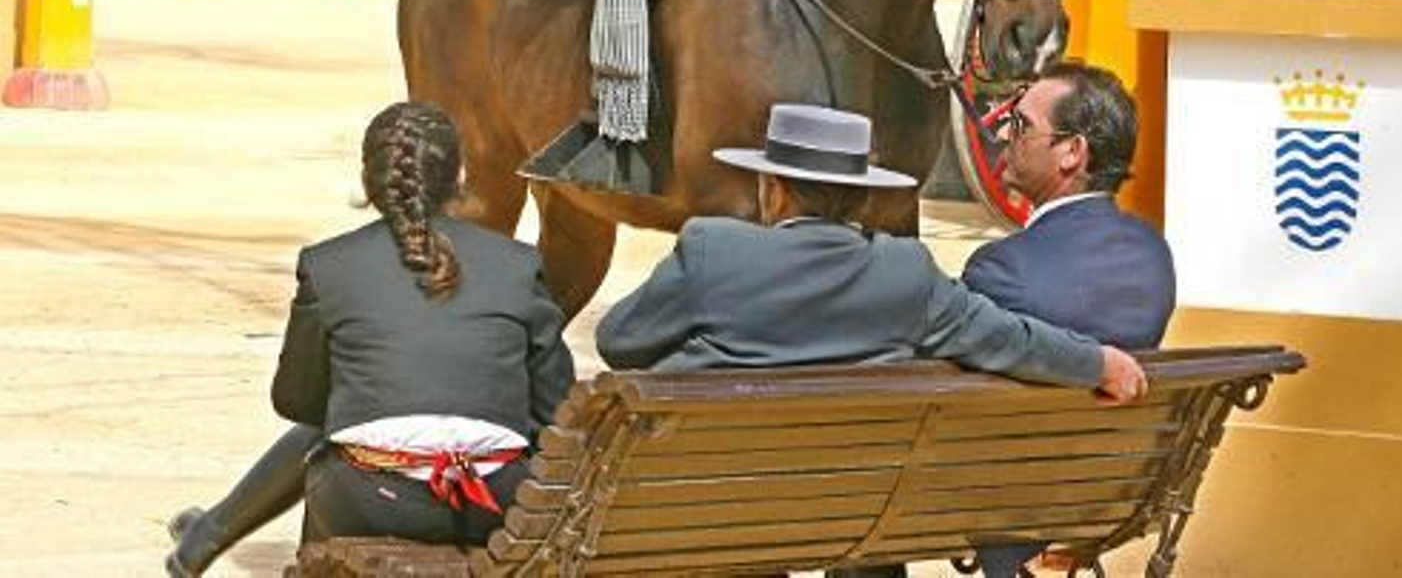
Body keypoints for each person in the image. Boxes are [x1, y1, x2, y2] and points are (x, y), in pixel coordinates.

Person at [165, 102, 575, 575]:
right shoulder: (517, 265)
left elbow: (298, 402)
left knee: (337, 439)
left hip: (370, 499)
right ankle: (207, 533)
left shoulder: (329, 264)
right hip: (491, 501)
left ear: (368, 181)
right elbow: (553, 409)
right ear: (460, 176)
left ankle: (211, 535)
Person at [597, 102, 1148, 392]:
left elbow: (619, 341)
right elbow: (1012, 342)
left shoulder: (712, 250)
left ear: (773, 189)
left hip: (704, 501)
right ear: (861, 200)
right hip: (842, 510)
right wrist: (1097, 362)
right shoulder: (906, 273)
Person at [961, 60, 1177, 578]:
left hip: (1008, 503)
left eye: (1021, 125)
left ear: (1072, 152)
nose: (1006, 136)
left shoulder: (1003, 270)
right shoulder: (1152, 255)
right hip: (1106, 495)